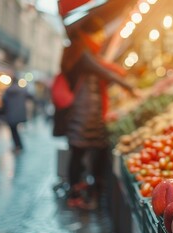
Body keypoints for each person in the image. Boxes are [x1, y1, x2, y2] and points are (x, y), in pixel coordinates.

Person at [58, 15, 139, 209]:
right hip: (84, 114)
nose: (103, 37)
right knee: (83, 151)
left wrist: (119, 74)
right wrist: (127, 85)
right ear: (91, 34)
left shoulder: (82, 51)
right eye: (100, 33)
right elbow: (101, 70)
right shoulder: (82, 52)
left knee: (81, 152)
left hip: (87, 112)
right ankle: (79, 194)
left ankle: (82, 191)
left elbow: (101, 66)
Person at [2, 78, 31, 152]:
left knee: (13, 130)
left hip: (11, 114)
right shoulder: (22, 90)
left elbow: (3, 101)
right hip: (20, 113)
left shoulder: (8, 90)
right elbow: (31, 96)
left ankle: (18, 145)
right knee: (15, 131)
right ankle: (19, 145)